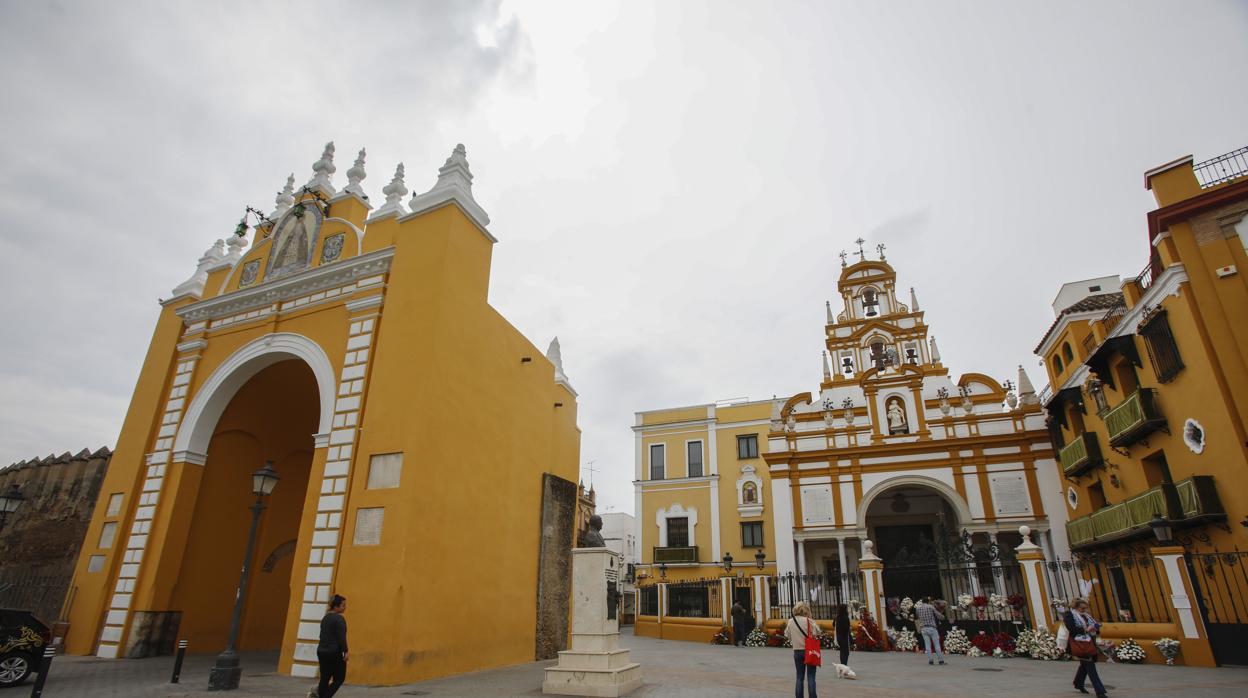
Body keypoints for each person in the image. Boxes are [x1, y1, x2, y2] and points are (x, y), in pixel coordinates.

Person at [1064, 598, 1107, 698]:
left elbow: (1094, 629)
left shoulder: (1087, 616)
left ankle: (1078, 683)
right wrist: (1086, 629)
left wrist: (1095, 628)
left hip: (1090, 642)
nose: (1084, 610)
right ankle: (1100, 691)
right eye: (1082, 608)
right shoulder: (1070, 616)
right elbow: (1072, 629)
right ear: (1075, 607)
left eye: (1085, 608)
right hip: (1079, 643)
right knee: (1090, 666)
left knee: (1085, 665)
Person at [785, 601, 822, 698]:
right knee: (811, 676)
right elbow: (817, 633)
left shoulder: (790, 621)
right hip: (809, 651)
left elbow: (787, 635)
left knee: (799, 677)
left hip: (797, 651)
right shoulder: (809, 621)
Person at [316, 594, 349, 698]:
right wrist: (346, 651)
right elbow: (341, 638)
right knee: (339, 678)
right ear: (336, 606)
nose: (345, 607)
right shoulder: (339, 619)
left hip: (321, 651)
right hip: (334, 652)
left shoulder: (325, 617)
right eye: (343, 605)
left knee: (324, 678)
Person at [914, 597, 946, 665]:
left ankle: (930, 660)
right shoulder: (931, 607)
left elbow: (918, 617)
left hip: (923, 628)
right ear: (928, 601)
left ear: (922, 602)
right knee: (936, 644)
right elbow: (938, 615)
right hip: (932, 628)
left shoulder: (918, 609)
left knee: (927, 645)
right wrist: (943, 617)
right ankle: (940, 660)